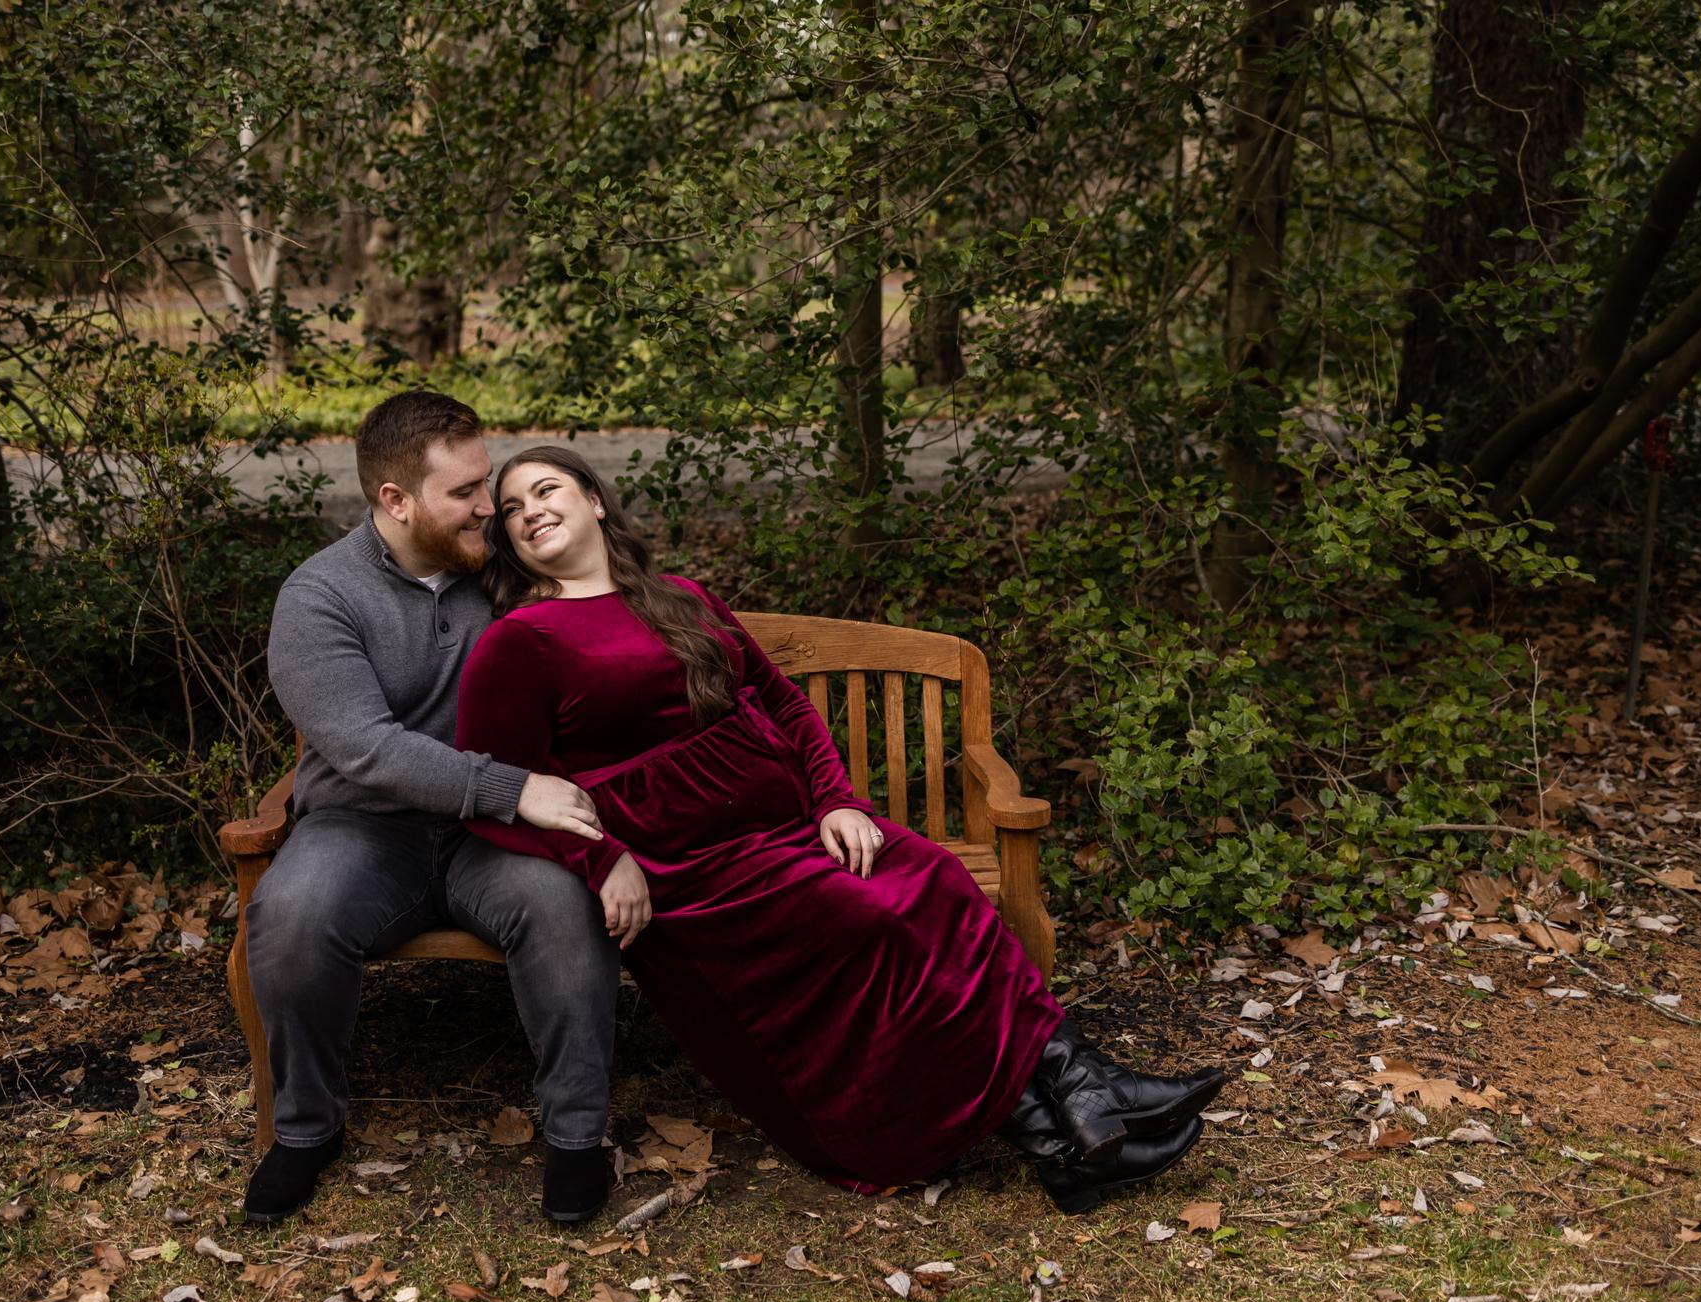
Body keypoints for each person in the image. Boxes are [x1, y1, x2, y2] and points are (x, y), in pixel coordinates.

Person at [456, 445, 1227, 1212]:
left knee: (934, 877)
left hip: (790, 827)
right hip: (694, 869)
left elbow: (781, 703)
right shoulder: (522, 641)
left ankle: (1071, 1115)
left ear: (594, 500)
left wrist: (838, 801)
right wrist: (603, 862)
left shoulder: (681, 598)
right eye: (513, 509)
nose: (531, 513)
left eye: (546, 490)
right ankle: (1077, 1108)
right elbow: (498, 792)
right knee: (875, 917)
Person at [243, 395, 625, 1225]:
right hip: (364, 827)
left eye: (487, 483)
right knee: (294, 911)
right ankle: (306, 1132)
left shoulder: (502, 570)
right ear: (396, 500)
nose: (490, 506)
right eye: (465, 492)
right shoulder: (320, 597)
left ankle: (575, 1138)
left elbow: (603, 627)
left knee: (562, 905)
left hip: (496, 838)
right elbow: (367, 749)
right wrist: (514, 787)